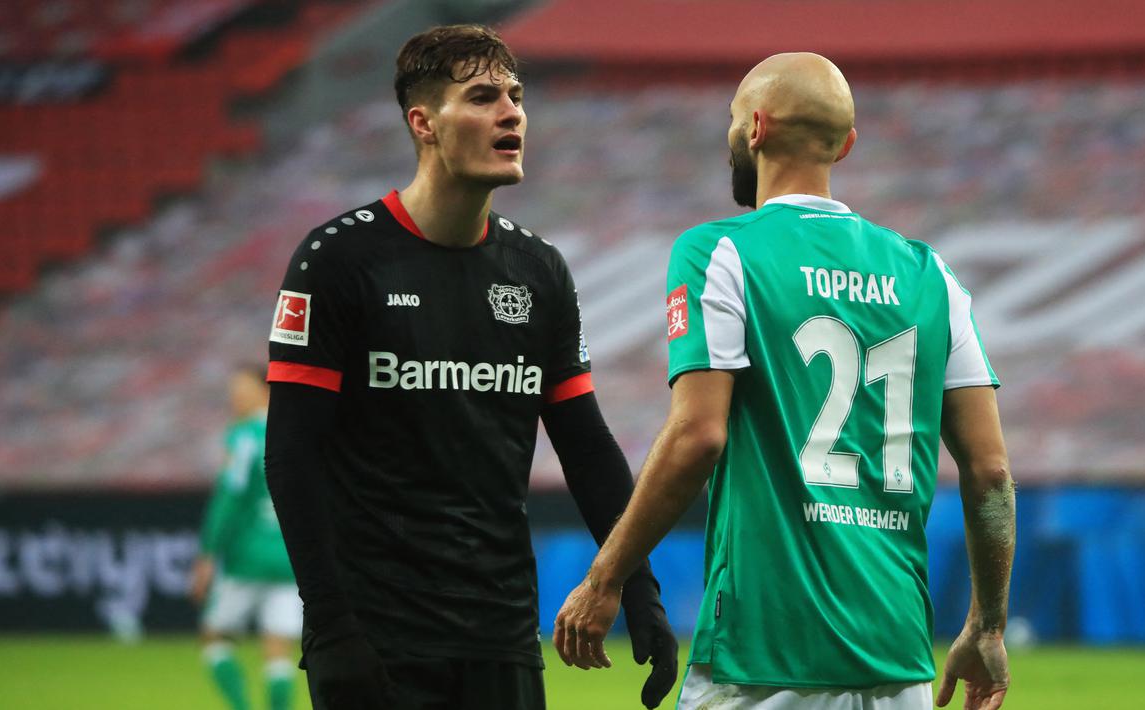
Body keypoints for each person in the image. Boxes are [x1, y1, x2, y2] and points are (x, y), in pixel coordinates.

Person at [554, 53, 1016, 710]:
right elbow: (991, 473)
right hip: (896, 662)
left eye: (732, 120)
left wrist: (605, 577)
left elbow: (697, 436)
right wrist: (987, 623)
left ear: (756, 129)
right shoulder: (929, 276)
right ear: (845, 144)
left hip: (762, 656)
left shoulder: (719, 251)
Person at [263, 24, 677, 710]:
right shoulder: (336, 260)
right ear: (422, 122)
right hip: (379, 639)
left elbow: (587, 447)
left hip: (502, 635)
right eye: (483, 96)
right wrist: (332, 626)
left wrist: (638, 588)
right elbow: (291, 453)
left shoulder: (539, 271)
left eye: (515, 96)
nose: (511, 111)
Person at [191, 365, 301, 710]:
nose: (234, 396)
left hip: (247, 558)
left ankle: (241, 707)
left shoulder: (244, 437)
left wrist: (208, 553)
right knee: (278, 649)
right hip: (290, 559)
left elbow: (229, 497)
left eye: (241, 387)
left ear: (263, 390)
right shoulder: (295, 432)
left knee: (214, 635)